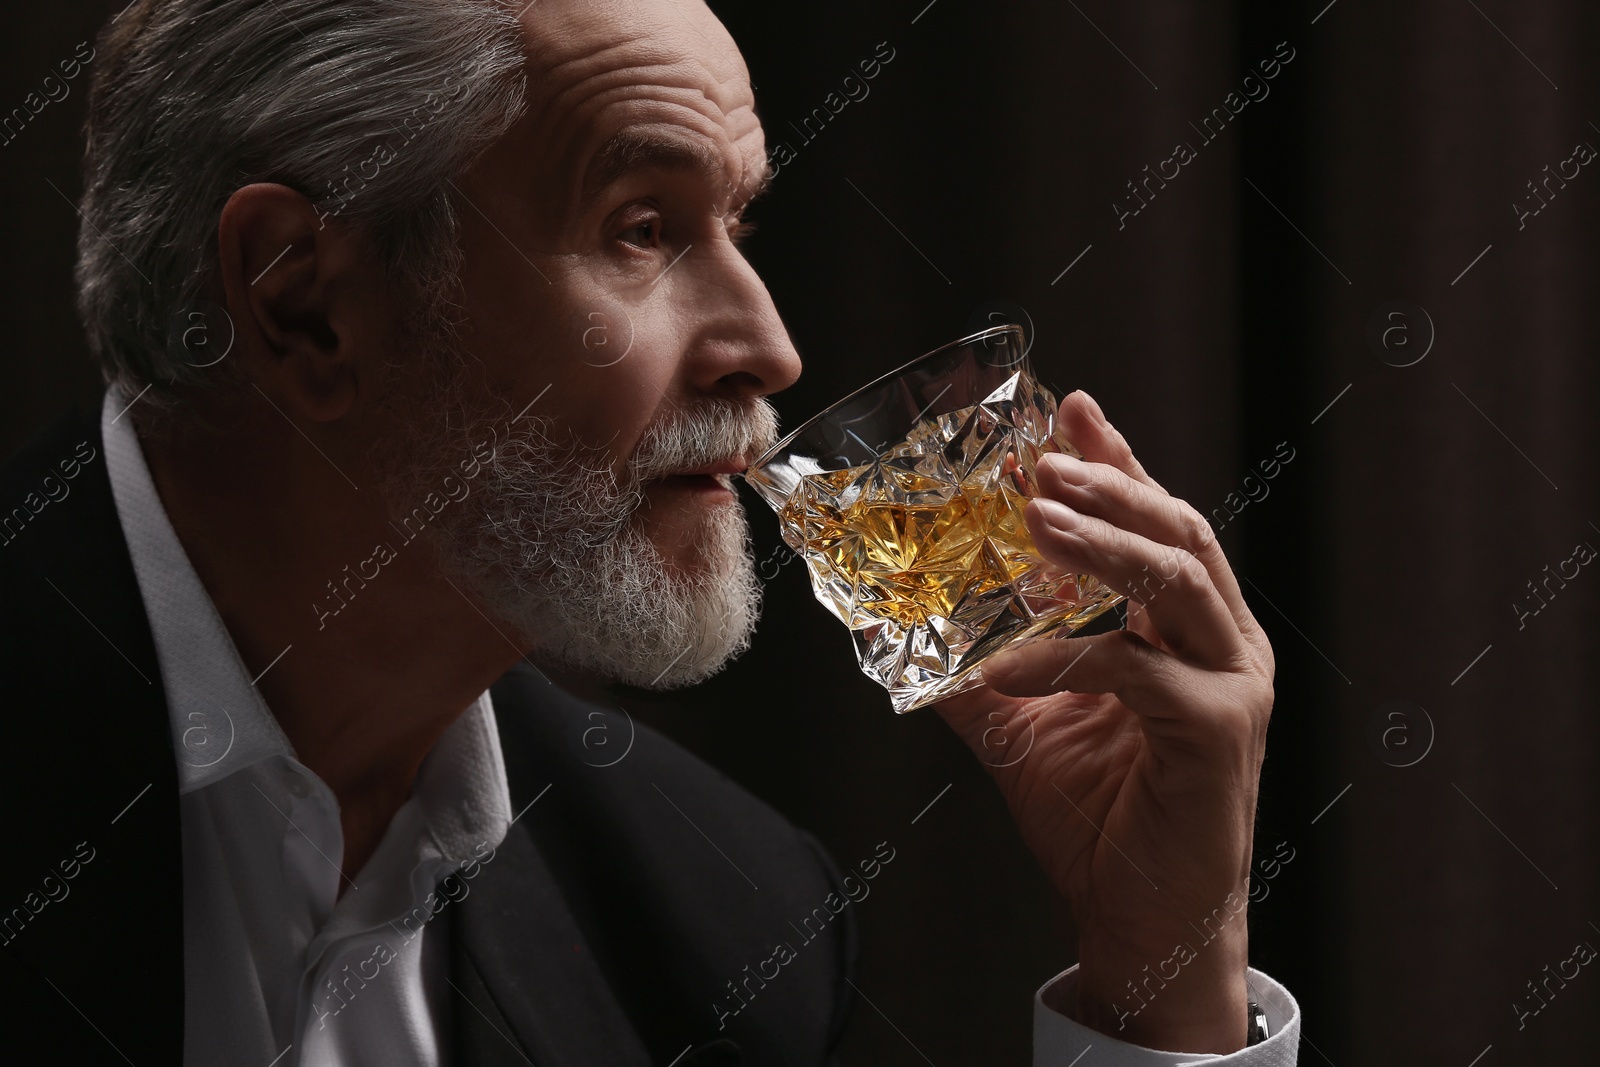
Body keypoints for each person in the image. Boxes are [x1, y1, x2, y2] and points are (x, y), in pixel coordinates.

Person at [0, 0, 1299, 1063]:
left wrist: (1161, 977)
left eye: (735, 224)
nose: (768, 349)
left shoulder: (723, 918)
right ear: (306, 307)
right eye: (643, 228)